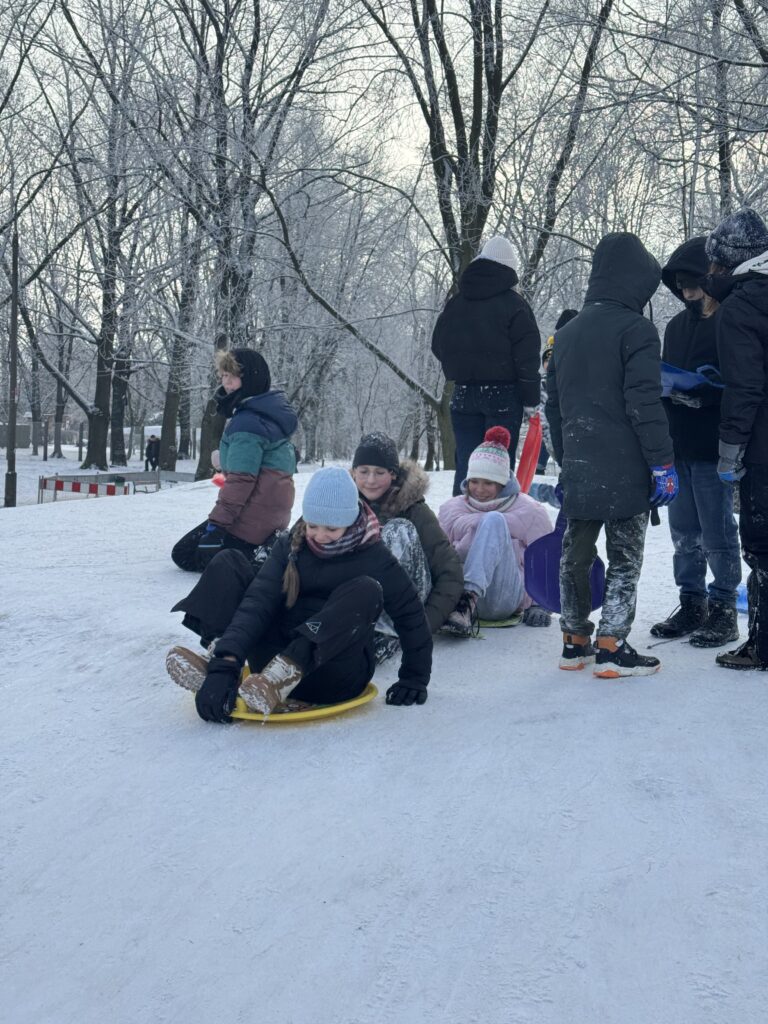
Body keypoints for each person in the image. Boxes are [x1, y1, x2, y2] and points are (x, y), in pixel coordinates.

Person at [166, 467, 433, 720]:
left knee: (366, 589)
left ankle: (284, 674)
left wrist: (414, 677)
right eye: (314, 525)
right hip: (268, 668)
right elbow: (258, 601)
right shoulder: (291, 545)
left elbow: (410, 615)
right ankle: (218, 658)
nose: (320, 536)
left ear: (351, 521)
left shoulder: (375, 557)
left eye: (332, 528)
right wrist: (229, 659)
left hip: (335, 675)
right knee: (230, 563)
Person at [546, 232, 678, 677]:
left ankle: (574, 640)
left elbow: (554, 408)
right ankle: (612, 644)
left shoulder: (564, 336)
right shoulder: (637, 330)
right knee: (624, 560)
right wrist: (661, 463)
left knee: (575, 556)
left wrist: (567, 461)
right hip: (626, 469)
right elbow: (644, 402)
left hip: (580, 465)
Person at [650, 236, 741, 646]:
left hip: (712, 444)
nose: (687, 294)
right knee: (683, 530)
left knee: (717, 530)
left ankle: (723, 606)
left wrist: (710, 392)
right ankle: (692, 601)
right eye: (681, 287)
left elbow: (742, 382)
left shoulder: (729, 320)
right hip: (679, 443)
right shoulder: (674, 325)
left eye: (693, 285)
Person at [701, 208, 768, 671]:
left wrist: (730, 449)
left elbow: (745, 387)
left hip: (763, 448)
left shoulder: (743, 305)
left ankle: (763, 645)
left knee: (762, 545)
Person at [431, 236, 542, 496]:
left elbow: (438, 345)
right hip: (503, 396)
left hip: (463, 394)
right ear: (509, 270)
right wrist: (530, 399)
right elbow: (527, 356)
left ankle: (460, 527)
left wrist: (462, 367)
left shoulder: (456, 303)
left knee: (467, 468)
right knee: (497, 469)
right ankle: (496, 525)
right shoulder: (515, 305)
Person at [171, 348, 297, 571]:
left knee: (184, 554)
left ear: (249, 379)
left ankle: (255, 554)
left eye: (231, 376)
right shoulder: (270, 415)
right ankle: (266, 543)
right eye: (222, 376)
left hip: (252, 520)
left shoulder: (246, 423)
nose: (225, 384)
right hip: (274, 516)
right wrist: (225, 459)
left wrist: (216, 528)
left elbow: (240, 482)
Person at [350, 432, 464, 660]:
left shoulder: (414, 510)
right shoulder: (345, 504)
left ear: (392, 474)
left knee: (397, 530)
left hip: (409, 602)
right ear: (353, 473)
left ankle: (388, 632)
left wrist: (421, 624)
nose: (370, 480)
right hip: (363, 602)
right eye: (364, 472)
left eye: (379, 472)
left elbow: (450, 572)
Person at [437, 427, 554, 634]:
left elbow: (545, 559)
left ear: (503, 483)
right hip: (454, 599)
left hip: (503, 596)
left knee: (493, 521)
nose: (479, 490)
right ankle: (462, 605)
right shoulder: (452, 509)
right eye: (474, 481)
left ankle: (469, 597)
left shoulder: (529, 511)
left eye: (489, 483)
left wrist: (541, 603)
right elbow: (436, 557)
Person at [536, 310, 578, 474]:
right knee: (547, 429)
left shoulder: (575, 344)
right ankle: (540, 465)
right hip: (553, 396)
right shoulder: (556, 342)